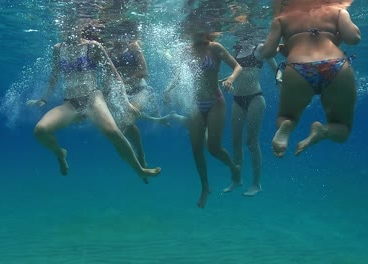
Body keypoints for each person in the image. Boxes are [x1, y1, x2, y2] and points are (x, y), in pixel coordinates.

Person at [27, 23, 161, 182]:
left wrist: (126, 103)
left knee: (113, 132)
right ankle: (60, 153)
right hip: (71, 103)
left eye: (72, 25)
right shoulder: (57, 48)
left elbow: (114, 75)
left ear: (79, 27)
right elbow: (54, 75)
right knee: (40, 130)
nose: (68, 29)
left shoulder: (93, 46)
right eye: (64, 26)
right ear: (60, 27)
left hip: (93, 98)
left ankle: (140, 170)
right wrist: (43, 99)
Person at [262, 0, 361, 157]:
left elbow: (266, 52)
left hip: (298, 67)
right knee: (342, 126)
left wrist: (282, 47)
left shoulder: (281, 19)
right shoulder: (337, 11)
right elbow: (353, 38)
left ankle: (287, 127)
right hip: (335, 65)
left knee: (287, 116)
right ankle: (323, 131)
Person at [165, 30, 242, 208]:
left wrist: (231, 79)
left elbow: (237, 66)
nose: (196, 32)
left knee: (214, 148)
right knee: (196, 149)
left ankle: (233, 167)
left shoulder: (215, 47)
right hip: (196, 104)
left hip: (215, 101)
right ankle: (205, 187)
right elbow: (179, 74)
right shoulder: (186, 50)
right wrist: (168, 88)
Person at [222, 40, 280, 196]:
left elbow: (276, 69)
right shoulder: (237, 49)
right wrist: (228, 81)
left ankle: (256, 183)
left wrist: (281, 82)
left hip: (255, 98)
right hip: (237, 99)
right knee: (235, 141)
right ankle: (237, 179)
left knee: (251, 143)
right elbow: (238, 72)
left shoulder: (260, 48)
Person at [105, 20, 155, 168]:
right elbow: (108, 76)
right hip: (120, 93)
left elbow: (144, 72)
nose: (118, 38)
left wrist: (125, 81)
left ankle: (139, 154)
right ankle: (136, 156)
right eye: (115, 34)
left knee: (126, 120)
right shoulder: (109, 51)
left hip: (140, 90)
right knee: (123, 123)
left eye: (122, 34)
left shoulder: (134, 47)